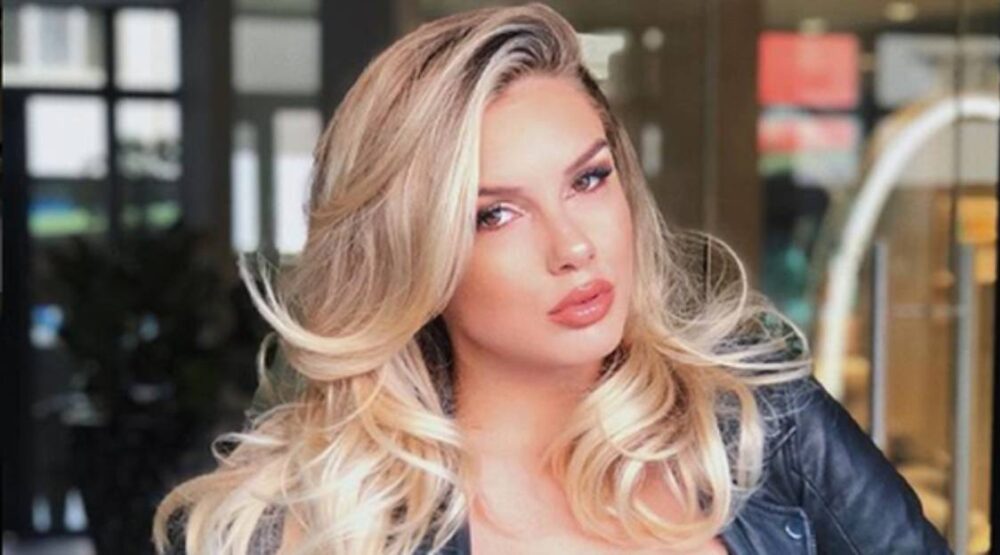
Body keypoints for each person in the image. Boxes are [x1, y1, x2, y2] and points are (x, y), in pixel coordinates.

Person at [153, 3, 950, 554]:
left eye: (589, 179)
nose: (572, 246)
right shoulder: (328, 524)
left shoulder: (765, 424)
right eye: (495, 214)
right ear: (415, 257)